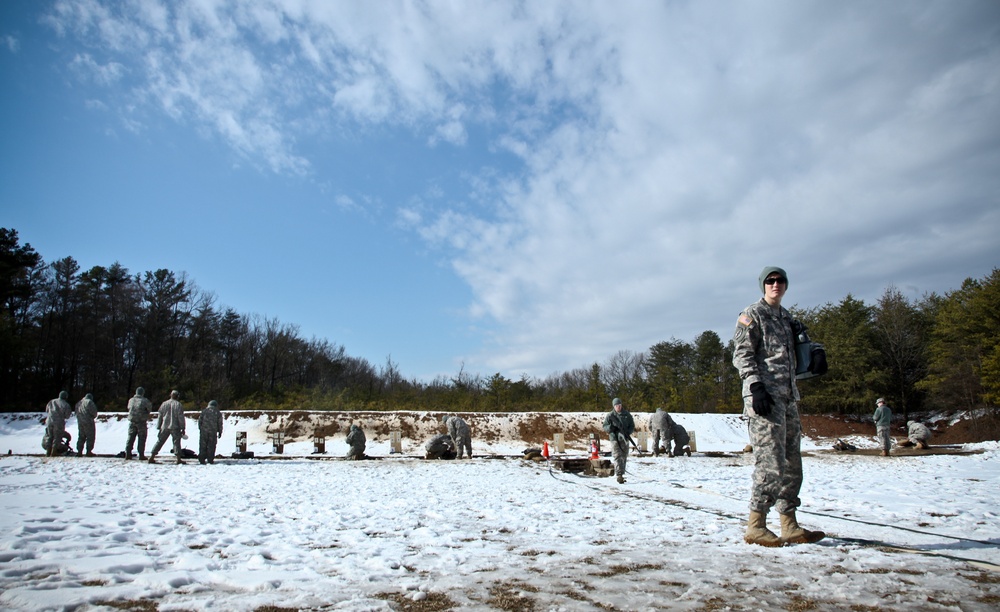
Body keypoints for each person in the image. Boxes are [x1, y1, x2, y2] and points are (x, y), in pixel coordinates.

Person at [732, 266, 825, 546]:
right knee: (770, 462)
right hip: (764, 400)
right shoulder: (753, 315)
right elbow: (742, 354)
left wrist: (817, 351)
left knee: (792, 463)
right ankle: (756, 525)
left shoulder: (787, 319)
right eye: (770, 281)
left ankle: (789, 523)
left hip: (787, 398)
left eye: (780, 280)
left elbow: (800, 346)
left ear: (786, 285)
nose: (776, 284)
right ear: (763, 285)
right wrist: (755, 386)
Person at [602, 397, 635, 484]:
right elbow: (604, 426)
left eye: (619, 405)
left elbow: (632, 425)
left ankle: (622, 471)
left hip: (625, 438)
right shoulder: (610, 415)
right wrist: (610, 428)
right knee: (617, 456)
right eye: (616, 406)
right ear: (614, 406)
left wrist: (628, 432)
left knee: (624, 455)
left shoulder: (627, 415)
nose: (618, 407)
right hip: (614, 439)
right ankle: (619, 474)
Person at [148, 390, 187, 464]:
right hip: (175, 426)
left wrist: (159, 426)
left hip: (165, 426)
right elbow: (181, 417)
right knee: (176, 442)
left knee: (160, 441)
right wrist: (183, 427)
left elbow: (160, 416)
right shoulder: (178, 404)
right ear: (177, 396)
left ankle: (152, 456)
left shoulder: (164, 404)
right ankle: (178, 459)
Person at [125, 387, 153, 460]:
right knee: (142, 438)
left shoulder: (131, 400)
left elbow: (128, 408)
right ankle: (141, 454)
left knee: (130, 437)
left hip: (132, 421)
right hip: (141, 422)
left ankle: (128, 453)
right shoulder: (144, 401)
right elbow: (149, 409)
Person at [44, 391, 74, 457]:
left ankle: (48, 452)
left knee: (50, 436)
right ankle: (53, 452)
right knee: (57, 437)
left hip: (49, 421)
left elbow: (47, 410)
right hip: (58, 422)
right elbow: (67, 416)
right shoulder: (66, 404)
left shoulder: (51, 401)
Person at [198, 400, 224, 464]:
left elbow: (199, 421)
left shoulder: (204, 411)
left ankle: (202, 459)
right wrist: (220, 432)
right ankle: (210, 459)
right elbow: (220, 423)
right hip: (213, 432)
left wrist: (201, 429)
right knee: (211, 446)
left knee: (202, 445)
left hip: (204, 431)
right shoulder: (218, 413)